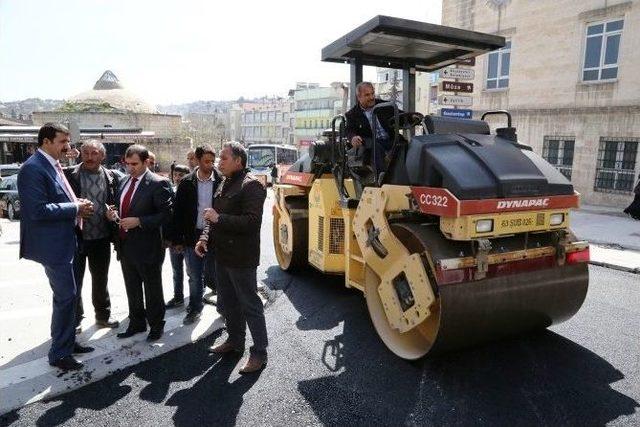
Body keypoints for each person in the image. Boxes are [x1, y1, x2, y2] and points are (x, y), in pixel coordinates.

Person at [18, 123, 96, 370]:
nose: (68, 147)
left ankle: (68, 341)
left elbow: (58, 198)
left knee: (68, 296)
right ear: (46, 141)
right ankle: (59, 353)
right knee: (66, 296)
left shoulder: (52, 164)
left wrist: (75, 201)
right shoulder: (32, 169)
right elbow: (37, 210)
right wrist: (75, 208)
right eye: (63, 142)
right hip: (52, 245)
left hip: (66, 239)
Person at [195, 141, 267, 374]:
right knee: (228, 304)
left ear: (239, 161)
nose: (219, 162)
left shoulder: (252, 185)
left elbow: (251, 222)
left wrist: (219, 220)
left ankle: (259, 352)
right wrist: (204, 238)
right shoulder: (224, 183)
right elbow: (211, 217)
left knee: (249, 305)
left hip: (242, 258)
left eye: (224, 158)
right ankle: (235, 342)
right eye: (220, 158)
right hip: (222, 256)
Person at [106, 144, 173, 341]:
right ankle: (137, 323)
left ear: (146, 162)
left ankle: (156, 325)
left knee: (152, 289)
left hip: (148, 247)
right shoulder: (124, 181)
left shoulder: (158, 183)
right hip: (125, 246)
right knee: (132, 287)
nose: (130, 168)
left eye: (134, 164)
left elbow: (166, 214)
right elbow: (121, 205)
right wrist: (112, 214)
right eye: (127, 164)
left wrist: (140, 221)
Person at [64, 140, 120, 330]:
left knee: (101, 279)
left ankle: (103, 316)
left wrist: (113, 213)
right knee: (74, 282)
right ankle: (75, 320)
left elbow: (118, 203)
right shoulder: (68, 175)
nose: (89, 157)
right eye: (86, 152)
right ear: (80, 153)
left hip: (101, 238)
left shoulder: (112, 177)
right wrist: (75, 210)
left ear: (102, 156)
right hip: (75, 238)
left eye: (94, 153)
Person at [167, 145, 222, 324]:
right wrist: (177, 239)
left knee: (219, 273)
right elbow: (178, 214)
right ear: (197, 160)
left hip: (215, 236)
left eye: (213, 161)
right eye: (206, 161)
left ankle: (224, 306)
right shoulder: (186, 183)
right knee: (194, 275)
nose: (211, 165)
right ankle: (195, 307)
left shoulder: (221, 180)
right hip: (192, 236)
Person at [345, 81, 400, 173]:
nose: (371, 97)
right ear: (359, 97)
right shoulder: (352, 114)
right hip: (371, 143)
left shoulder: (385, 106)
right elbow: (349, 130)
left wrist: (413, 117)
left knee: (407, 144)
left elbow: (401, 114)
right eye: (367, 95)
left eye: (372, 93)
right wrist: (353, 138)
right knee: (375, 146)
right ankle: (380, 176)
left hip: (390, 140)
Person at [164, 164, 191, 309]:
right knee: (176, 271)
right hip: (174, 240)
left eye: (182, 175)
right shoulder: (170, 192)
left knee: (192, 272)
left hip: (188, 240)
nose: (178, 177)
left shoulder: (192, 192)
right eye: (176, 174)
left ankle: (195, 299)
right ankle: (178, 297)